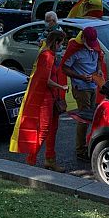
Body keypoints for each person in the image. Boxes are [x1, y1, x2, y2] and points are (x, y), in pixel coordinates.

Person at [9, 31, 68, 171]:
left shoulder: (48, 54)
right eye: (61, 43)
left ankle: (50, 160)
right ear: (56, 42)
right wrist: (62, 87)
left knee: (53, 129)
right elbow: (45, 80)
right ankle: (31, 160)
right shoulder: (46, 56)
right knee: (44, 129)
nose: (62, 46)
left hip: (51, 97)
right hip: (45, 98)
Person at [61, 26, 106, 162]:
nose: (92, 46)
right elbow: (65, 68)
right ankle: (80, 150)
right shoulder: (75, 48)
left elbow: (99, 58)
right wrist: (81, 77)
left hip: (93, 85)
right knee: (84, 119)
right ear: (84, 38)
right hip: (81, 87)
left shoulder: (94, 44)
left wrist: (98, 70)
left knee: (91, 118)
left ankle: (87, 145)